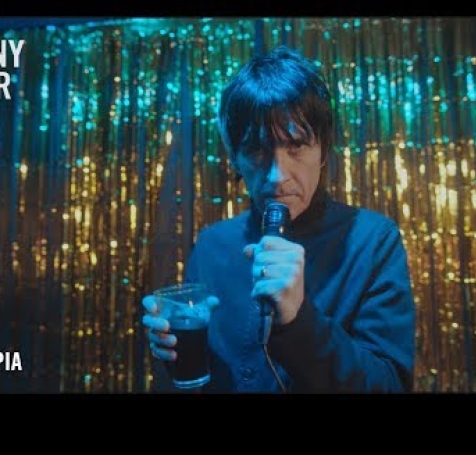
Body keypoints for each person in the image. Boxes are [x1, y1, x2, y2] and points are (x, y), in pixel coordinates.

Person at [142, 45, 416, 393]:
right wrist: (173, 351)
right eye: (256, 149)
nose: (276, 176)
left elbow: (389, 384)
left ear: (323, 150)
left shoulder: (374, 241)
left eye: (296, 146)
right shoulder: (212, 244)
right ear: (234, 158)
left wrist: (299, 319)